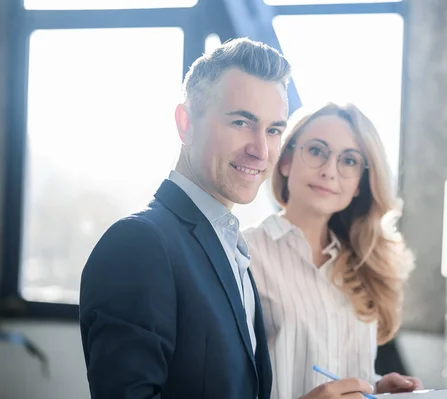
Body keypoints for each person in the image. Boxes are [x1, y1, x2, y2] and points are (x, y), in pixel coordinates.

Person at [79, 38, 375, 399]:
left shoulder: (231, 248)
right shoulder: (138, 244)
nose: (260, 149)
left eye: (273, 130)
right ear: (185, 124)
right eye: (241, 122)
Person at [244, 102, 422, 399]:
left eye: (349, 161)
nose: (330, 171)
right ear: (286, 161)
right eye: (316, 151)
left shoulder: (363, 264)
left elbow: (338, 368)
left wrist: (376, 390)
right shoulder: (244, 254)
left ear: (359, 185)